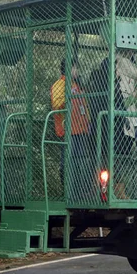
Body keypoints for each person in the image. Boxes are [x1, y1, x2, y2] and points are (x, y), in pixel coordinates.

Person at [50, 58, 92, 202]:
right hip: (68, 129)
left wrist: (88, 122)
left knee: (79, 161)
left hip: (81, 129)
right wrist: (68, 97)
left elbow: (84, 105)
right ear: (69, 68)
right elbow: (56, 104)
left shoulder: (77, 85)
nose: (77, 71)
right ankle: (68, 192)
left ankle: (78, 193)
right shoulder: (59, 85)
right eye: (75, 68)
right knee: (67, 162)